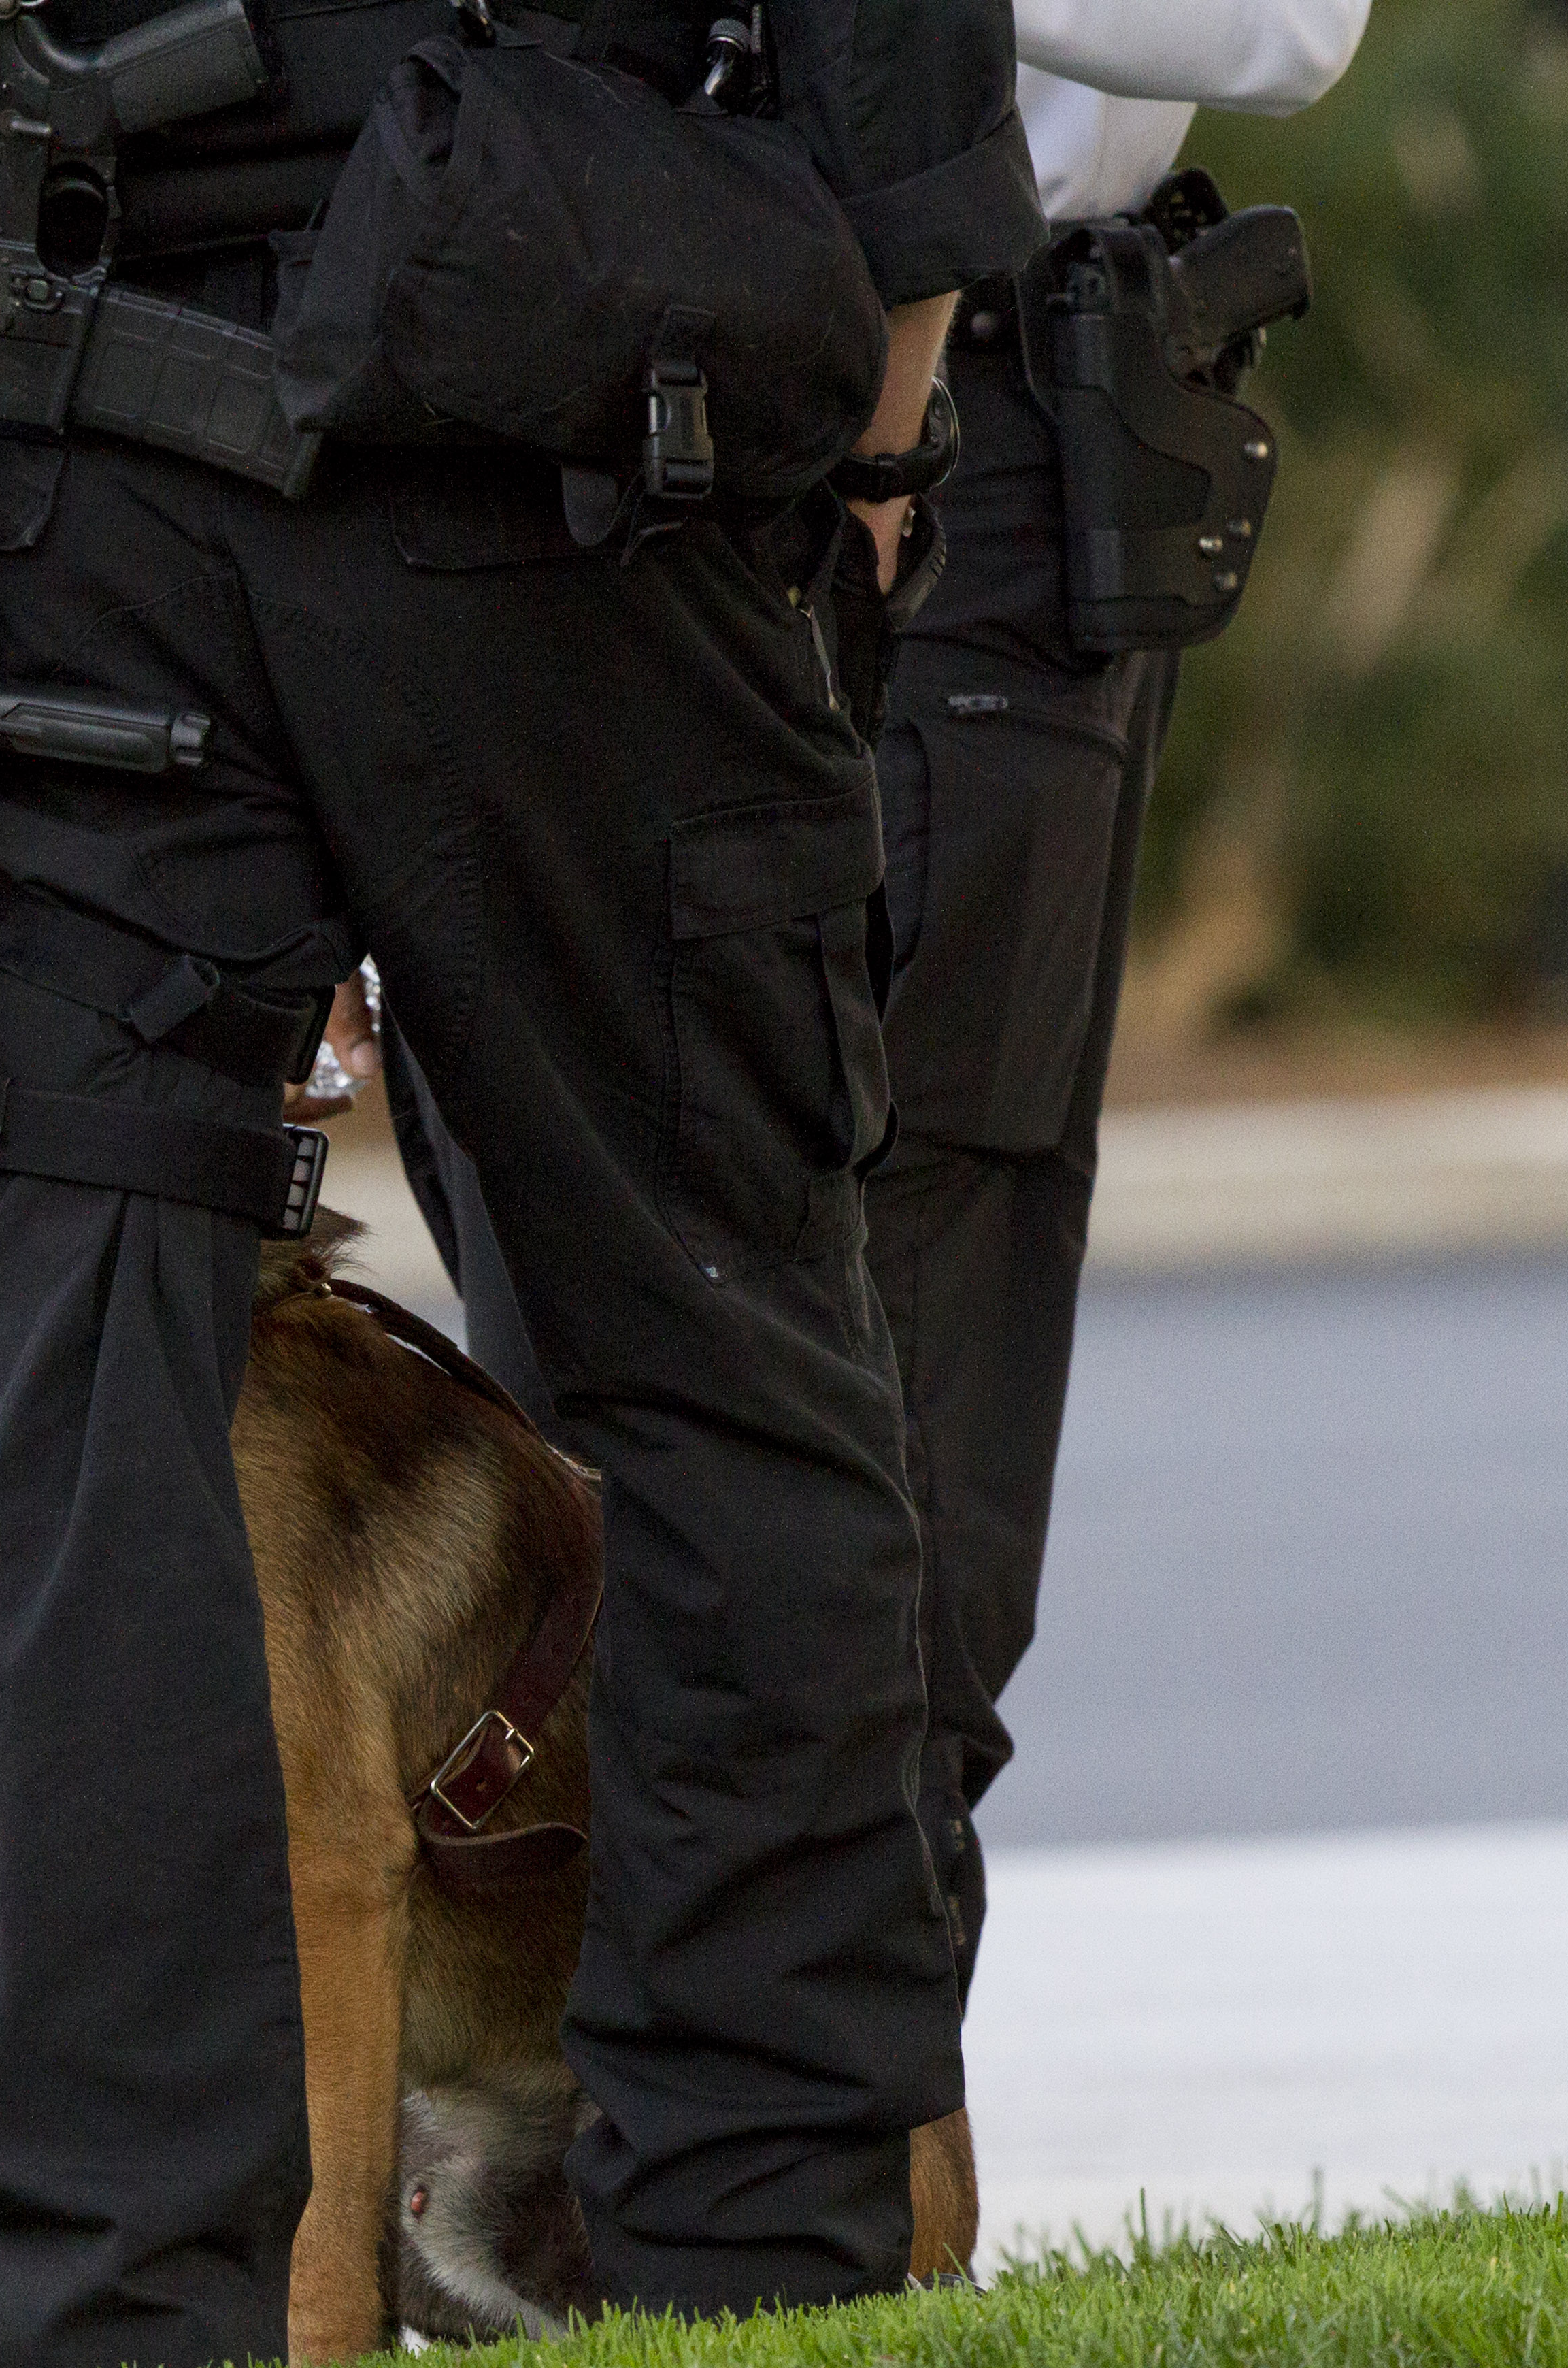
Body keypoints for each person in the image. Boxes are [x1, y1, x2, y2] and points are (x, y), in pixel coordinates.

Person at [0, 0, 1041, 2368]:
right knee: (719, 1330)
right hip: (589, 427)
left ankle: (125, 2323)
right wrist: (863, 463)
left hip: (43, 464)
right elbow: (902, 74)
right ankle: (768, 2251)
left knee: (67, 1383)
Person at [388, 0, 1368, 2004]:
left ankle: (811, 2187)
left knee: (897, 1388)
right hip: (532, 384)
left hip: (955, 443)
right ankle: (603, 2187)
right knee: (560, 1395)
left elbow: (1286, 16)